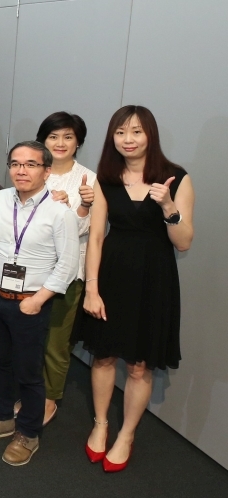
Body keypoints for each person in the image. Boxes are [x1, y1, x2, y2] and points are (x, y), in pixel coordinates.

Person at [80, 105, 194, 473]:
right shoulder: (106, 178)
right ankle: (101, 423)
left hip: (153, 279)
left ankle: (127, 433)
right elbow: (96, 237)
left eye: (136, 132)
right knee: (103, 355)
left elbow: (184, 242)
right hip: (111, 274)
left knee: (140, 365)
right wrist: (91, 289)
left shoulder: (175, 178)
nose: (128, 139)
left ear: (150, 136)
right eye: (120, 132)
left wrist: (167, 205)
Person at [0, 140, 79, 466]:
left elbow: (68, 264)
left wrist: (39, 300)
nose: (21, 170)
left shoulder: (60, 213)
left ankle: (28, 433)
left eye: (30, 164)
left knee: (29, 373)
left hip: (31, 303)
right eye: (15, 163)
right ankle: (1, 419)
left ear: (46, 170)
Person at [33, 112, 96, 425]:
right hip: (31, 271)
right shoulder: (33, 170)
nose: (60, 143)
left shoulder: (88, 179)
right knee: (31, 337)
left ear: (78, 142)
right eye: (53, 136)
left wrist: (80, 206)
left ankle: (48, 399)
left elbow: (85, 230)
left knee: (57, 342)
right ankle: (31, 391)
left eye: (68, 137)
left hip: (68, 273)